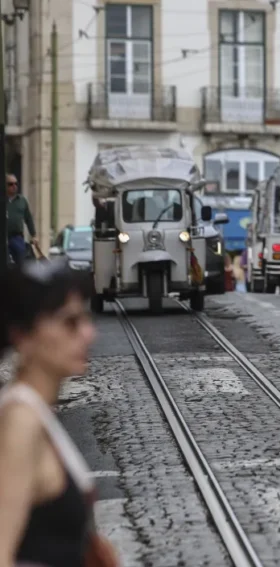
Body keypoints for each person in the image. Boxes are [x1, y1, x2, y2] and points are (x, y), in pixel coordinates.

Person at [0, 261, 119, 567]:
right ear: (22, 336)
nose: (88, 333)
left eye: (85, 319)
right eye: (70, 323)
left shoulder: (35, 413)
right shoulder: (20, 423)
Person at [6, 174, 38, 265]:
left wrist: (34, 235)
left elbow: (28, 219)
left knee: (22, 261)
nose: (14, 186)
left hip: (17, 237)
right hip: (4, 237)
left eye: (16, 184)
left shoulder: (22, 200)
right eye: (10, 184)